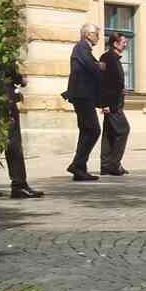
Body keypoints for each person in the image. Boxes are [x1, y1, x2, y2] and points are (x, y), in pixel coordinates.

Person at [0, 69, 44, 199]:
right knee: (13, 144)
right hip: (5, 101)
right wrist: (20, 79)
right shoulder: (4, 52)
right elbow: (8, 69)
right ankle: (19, 186)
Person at [64, 23, 103, 181]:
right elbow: (91, 67)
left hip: (83, 96)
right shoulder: (81, 48)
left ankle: (79, 168)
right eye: (96, 34)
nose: (98, 37)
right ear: (88, 35)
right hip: (82, 96)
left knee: (87, 130)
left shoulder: (83, 49)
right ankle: (77, 165)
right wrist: (99, 66)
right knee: (93, 130)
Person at [98, 32, 131, 176]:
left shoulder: (113, 58)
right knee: (123, 130)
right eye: (123, 41)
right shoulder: (108, 58)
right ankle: (114, 164)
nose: (126, 44)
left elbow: (114, 81)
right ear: (115, 44)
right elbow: (103, 83)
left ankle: (106, 166)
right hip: (111, 104)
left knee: (109, 133)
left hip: (114, 101)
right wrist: (104, 104)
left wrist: (121, 90)